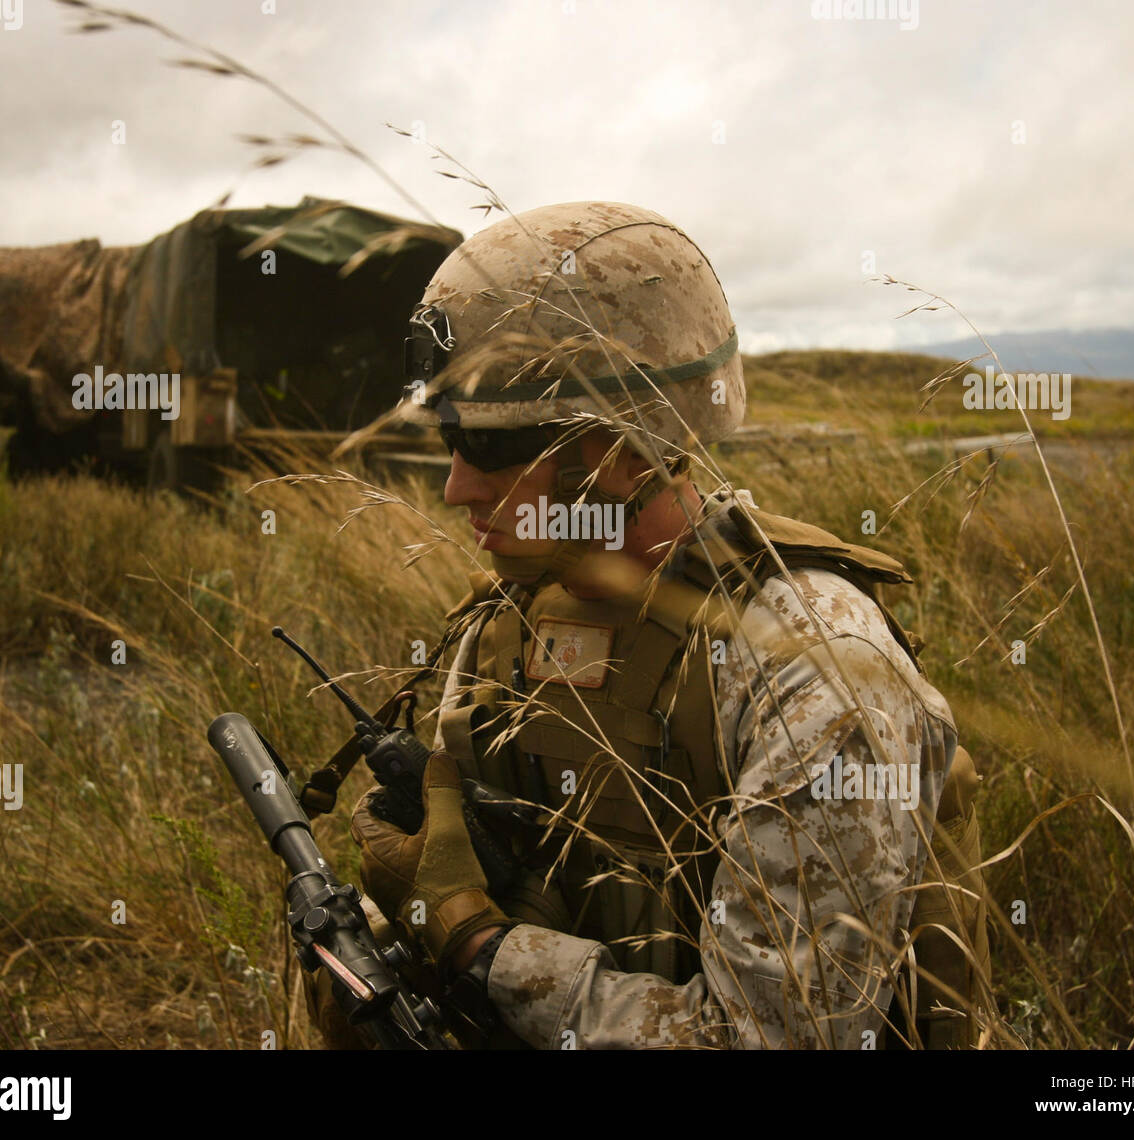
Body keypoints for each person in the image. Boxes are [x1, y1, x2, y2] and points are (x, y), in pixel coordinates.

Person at [323, 201, 991, 1049]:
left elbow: (772, 1038)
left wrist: (482, 948)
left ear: (621, 453)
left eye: (489, 448)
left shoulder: (816, 671)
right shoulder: (506, 621)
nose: (455, 488)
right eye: (450, 441)